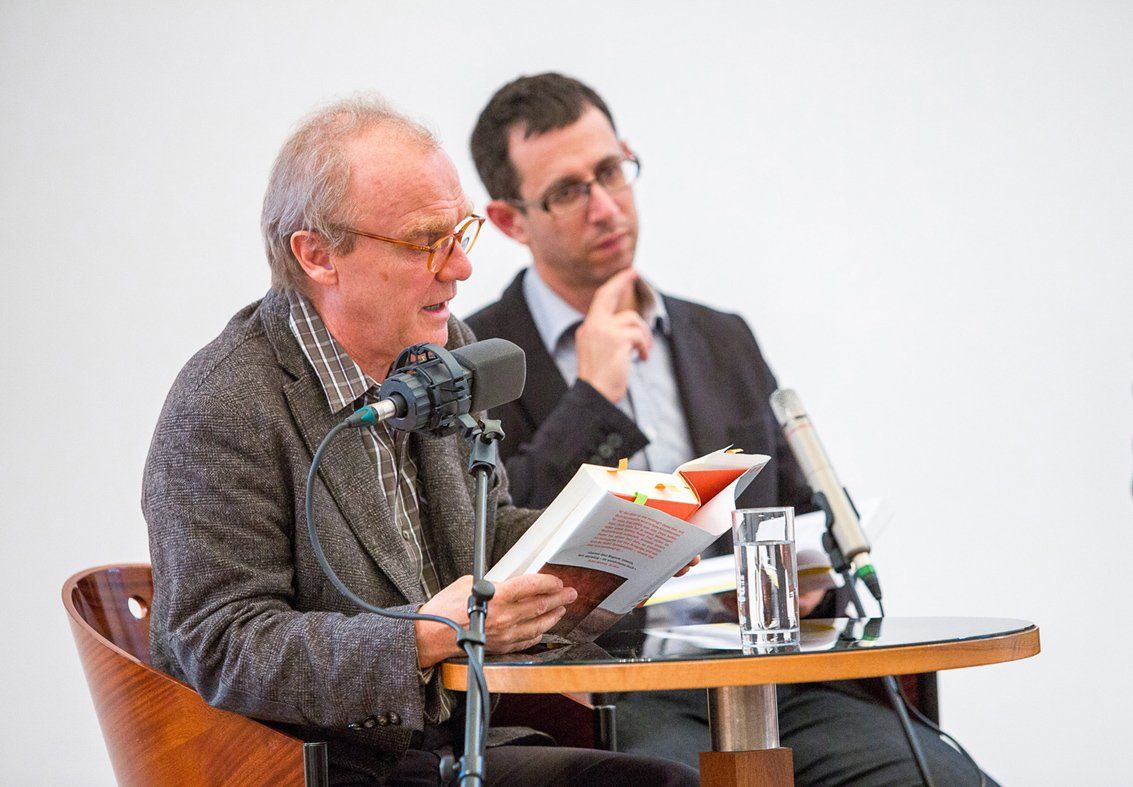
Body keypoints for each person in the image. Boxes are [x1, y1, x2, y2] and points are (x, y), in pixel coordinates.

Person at [142, 96, 698, 786]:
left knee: (665, 781)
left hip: (456, 737)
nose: (460, 268)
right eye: (424, 242)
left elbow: (485, 531)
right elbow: (221, 645)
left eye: (459, 232)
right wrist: (423, 634)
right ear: (317, 255)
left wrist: (621, 543)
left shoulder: (440, 350)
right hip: (320, 763)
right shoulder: (224, 403)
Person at [465, 72, 998, 785]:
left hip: (772, 678)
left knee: (942, 778)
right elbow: (489, 540)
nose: (606, 206)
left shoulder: (722, 337)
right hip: (608, 691)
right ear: (510, 221)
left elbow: (805, 508)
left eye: (611, 171)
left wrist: (809, 578)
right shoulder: (482, 360)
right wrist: (592, 398)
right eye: (568, 191)